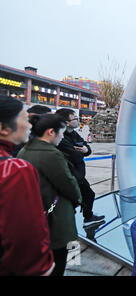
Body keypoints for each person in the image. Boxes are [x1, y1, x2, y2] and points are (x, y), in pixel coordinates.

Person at [17, 114, 82, 276]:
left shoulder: (24, 151)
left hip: (37, 215)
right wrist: (78, 199)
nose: (62, 137)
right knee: (61, 259)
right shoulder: (52, 154)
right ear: (51, 132)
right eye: (61, 133)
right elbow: (68, 184)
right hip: (57, 217)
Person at [0, 96, 55, 276]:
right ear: (3, 128)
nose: (30, 125)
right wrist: (42, 268)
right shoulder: (15, 170)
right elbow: (25, 236)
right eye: (24, 119)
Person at [55, 108, 104, 227]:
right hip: (70, 175)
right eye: (75, 118)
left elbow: (85, 148)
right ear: (67, 122)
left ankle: (88, 217)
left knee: (88, 195)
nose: (78, 120)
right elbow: (75, 156)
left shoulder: (73, 133)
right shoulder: (61, 138)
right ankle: (68, 226)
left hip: (78, 175)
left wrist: (85, 150)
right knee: (73, 201)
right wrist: (81, 151)